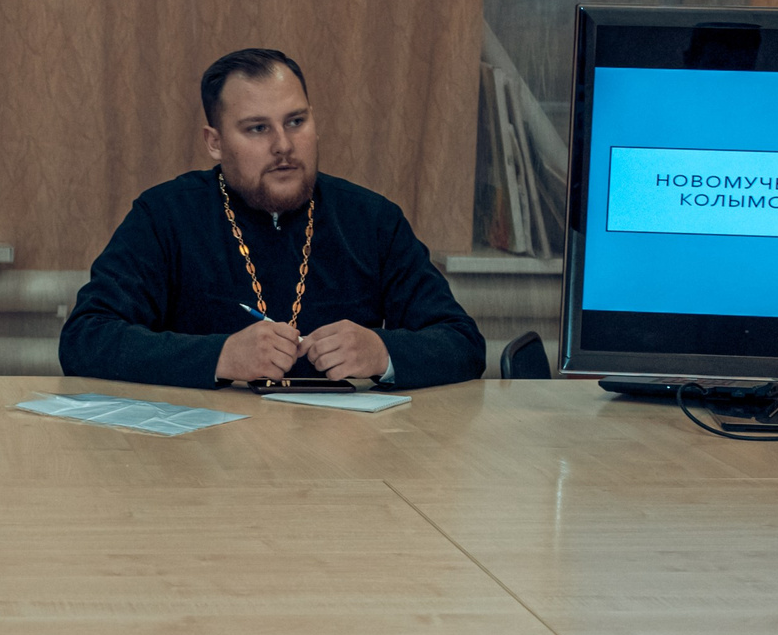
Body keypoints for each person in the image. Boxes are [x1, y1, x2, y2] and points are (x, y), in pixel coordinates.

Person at [58, 48, 486, 390]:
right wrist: (220, 357)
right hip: (200, 463)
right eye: (258, 129)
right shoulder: (165, 216)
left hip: (345, 465)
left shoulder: (371, 220)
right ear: (215, 142)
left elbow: (463, 343)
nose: (284, 145)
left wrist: (383, 351)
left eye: (296, 122)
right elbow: (85, 338)